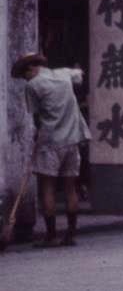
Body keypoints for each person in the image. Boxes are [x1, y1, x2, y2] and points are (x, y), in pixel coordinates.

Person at [11, 52, 90, 248]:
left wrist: (38, 136)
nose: (25, 79)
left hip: (50, 142)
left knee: (48, 188)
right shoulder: (63, 74)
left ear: (31, 69)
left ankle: (51, 236)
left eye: (24, 75)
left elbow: (36, 116)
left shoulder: (33, 86)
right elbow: (79, 74)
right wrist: (77, 70)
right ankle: (70, 235)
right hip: (72, 140)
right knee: (71, 187)